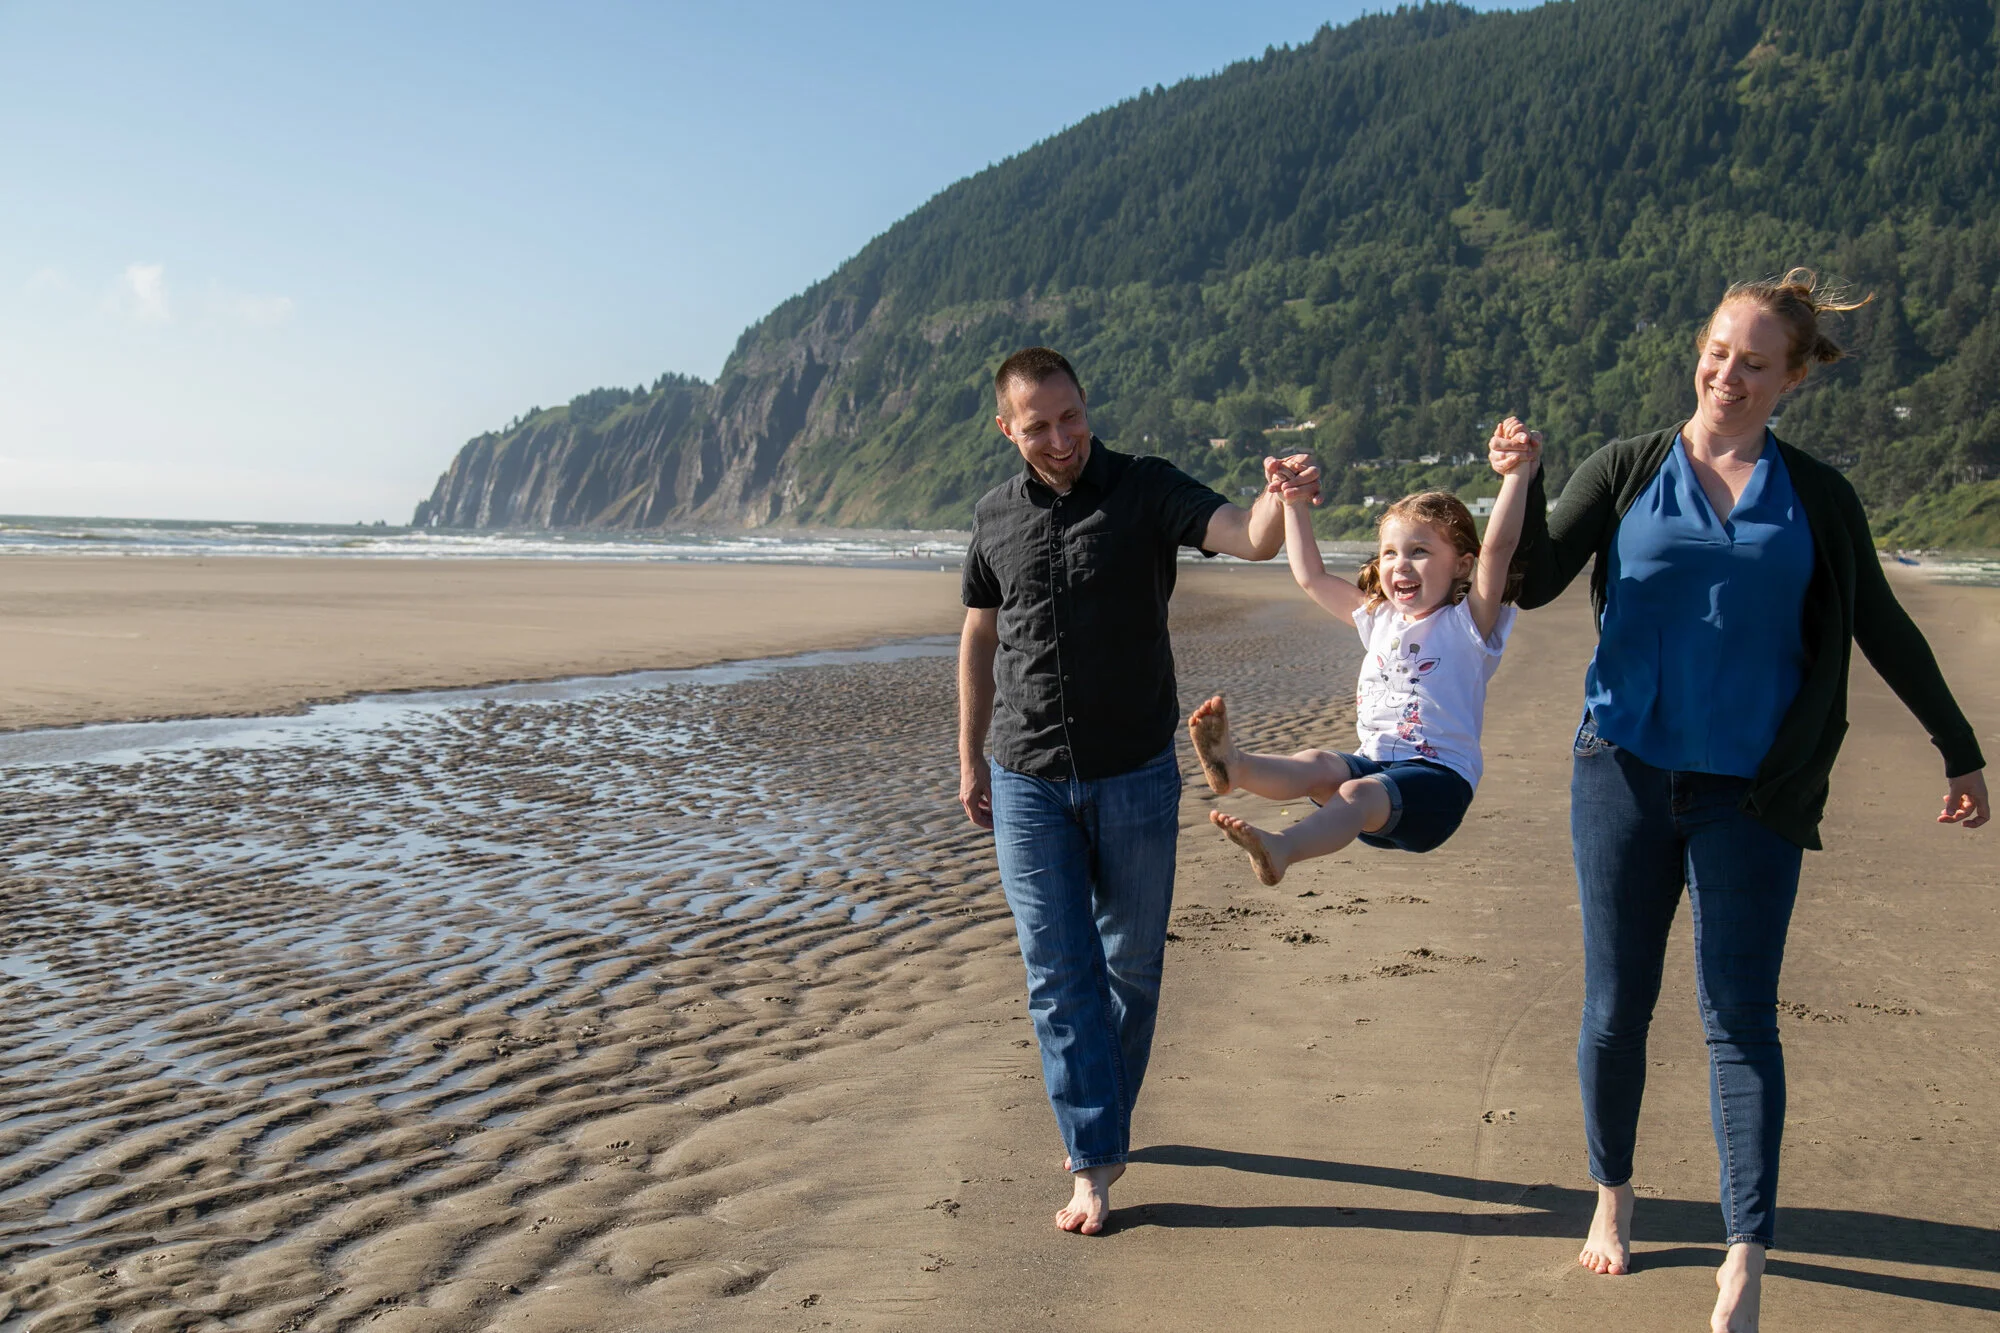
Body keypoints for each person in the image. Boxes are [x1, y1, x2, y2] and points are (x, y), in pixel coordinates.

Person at [1494, 269, 1990, 1333]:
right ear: (1699, 349)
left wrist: (1958, 749)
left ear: (1791, 378)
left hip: (1752, 795)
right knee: (1614, 1007)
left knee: (1737, 1019)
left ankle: (1742, 1252)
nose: (1727, 375)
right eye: (1717, 352)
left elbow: (1881, 627)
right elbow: (1528, 580)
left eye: (1753, 363)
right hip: (1618, 772)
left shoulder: (1814, 496)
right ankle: (1612, 1195)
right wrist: (1520, 479)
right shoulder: (1627, 468)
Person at [957, 346, 1315, 1235]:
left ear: (1087, 405)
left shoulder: (1146, 489)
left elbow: (1252, 535)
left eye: (1069, 415)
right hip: (1026, 775)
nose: (1060, 437)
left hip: (1136, 777)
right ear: (1008, 429)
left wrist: (1283, 491)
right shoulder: (994, 514)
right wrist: (969, 757)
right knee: (1056, 969)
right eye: (1036, 425)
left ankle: (1099, 1117)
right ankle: (1094, 1159)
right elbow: (977, 639)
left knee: (1132, 966)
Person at [1195, 437, 1538, 883]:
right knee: (1319, 763)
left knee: (1357, 790)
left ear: (1461, 565)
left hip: (1437, 786)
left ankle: (1283, 848)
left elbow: (1498, 548)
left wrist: (1515, 473)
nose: (1400, 565)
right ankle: (1235, 767)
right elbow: (1311, 576)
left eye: (1420, 551)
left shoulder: (1468, 624)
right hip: (1372, 765)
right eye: (1390, 553)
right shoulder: (1381, 619)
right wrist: (1293, 503)